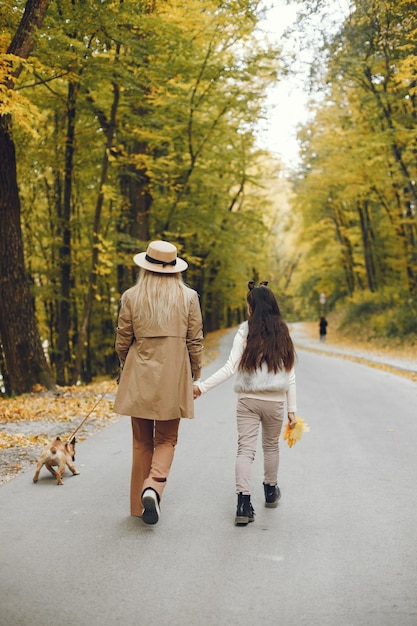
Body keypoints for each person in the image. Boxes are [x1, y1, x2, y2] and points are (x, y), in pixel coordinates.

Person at [114, 240, 203, 525]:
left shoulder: (131, 296)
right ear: (175, 268)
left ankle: (137, 508)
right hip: (174, 374)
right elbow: (195, 340)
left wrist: (123, 368)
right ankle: (153, 485)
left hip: (139, 373)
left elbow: (122, 340)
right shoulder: (189, 297)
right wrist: (195, 373)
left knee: (141, 441)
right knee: (166, 439)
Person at [194, 282, 296, 526]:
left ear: (252, 308)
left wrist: (202, 387)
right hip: (275, 402)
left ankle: (243, 502)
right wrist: (292, 409)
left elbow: (230, 367)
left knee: (245, 450)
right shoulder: (283, 331)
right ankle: (271, 491)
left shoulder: (245, 330)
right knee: (271, 447)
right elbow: (290, 373)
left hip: (248, 400)